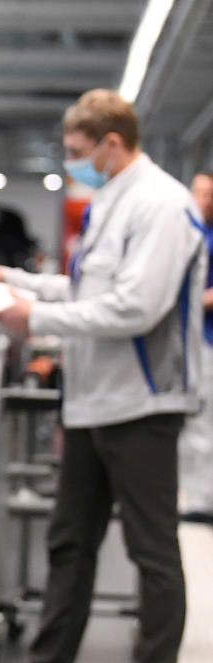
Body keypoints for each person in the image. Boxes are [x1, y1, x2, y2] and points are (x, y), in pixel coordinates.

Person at [0, 89, 206, 663]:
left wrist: (32, 318)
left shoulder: (161, 205)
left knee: (151, 552)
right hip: (93, 401)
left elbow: (136, 308)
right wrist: (14, 283)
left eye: (75, 152)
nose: (71, 164)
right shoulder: (111, 201)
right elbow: (89, 291)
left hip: (142, 404)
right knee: (68, 543)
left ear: (111, 142)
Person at [179, 171, 213, 522]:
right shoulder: (194, 233)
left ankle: (204, 502)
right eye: (197, 191)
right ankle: (193, 494)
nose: (199, 199)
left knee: (205, 423)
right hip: (193, 340)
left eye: (206, 193)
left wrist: (193, 299)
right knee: (194, 421)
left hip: (209, 340)